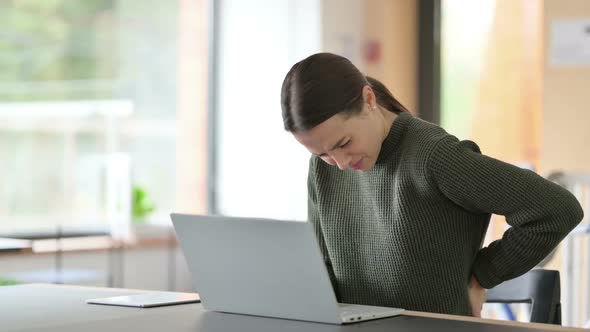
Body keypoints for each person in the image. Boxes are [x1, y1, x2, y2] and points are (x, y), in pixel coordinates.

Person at [280, 52, 584, 317]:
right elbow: (322, 271)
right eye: (323, 154)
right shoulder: (322, 171)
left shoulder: (433, 157)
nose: (341, 163)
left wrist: (482, 275)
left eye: (344, 143)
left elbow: (557, 209)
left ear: (368, 99)